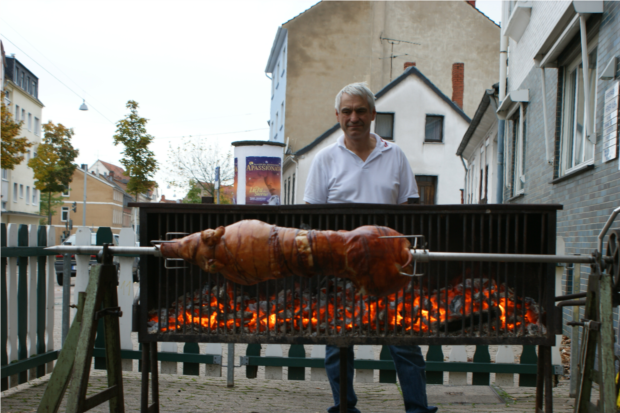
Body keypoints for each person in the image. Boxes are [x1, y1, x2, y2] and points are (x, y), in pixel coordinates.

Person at [304, 82, 437, 413]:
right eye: (347, 111)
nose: (354, 117)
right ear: (337, 116)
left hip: (389, 264)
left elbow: (408, 211)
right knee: (338, 344)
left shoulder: (395, 155)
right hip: (340, 267)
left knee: (404, 342)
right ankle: (344, 408)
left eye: (361, 110)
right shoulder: (324, 159)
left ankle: (418, 410)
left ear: (373, 114)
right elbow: (313, 220)